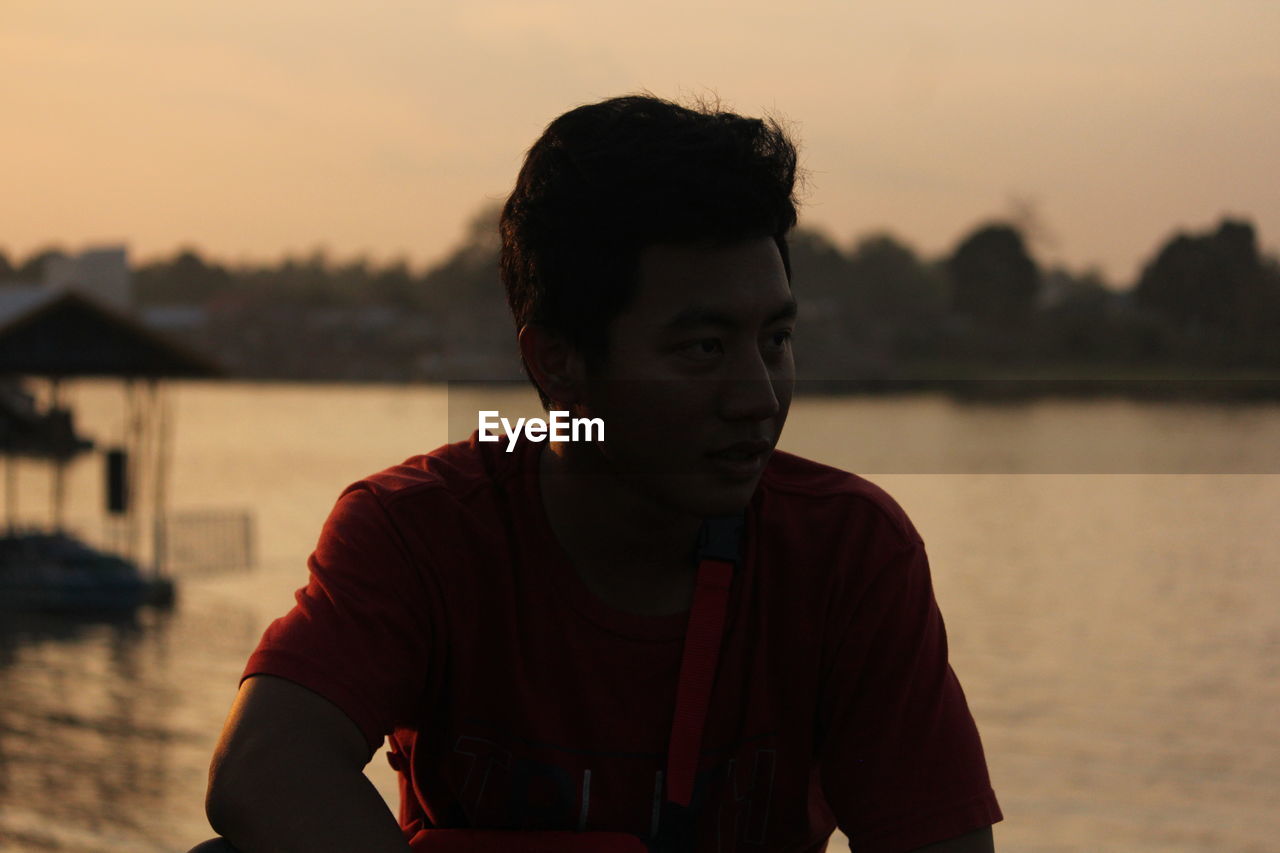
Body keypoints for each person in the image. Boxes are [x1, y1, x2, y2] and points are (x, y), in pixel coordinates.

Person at [198, 94, 1002, 853]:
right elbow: (263, 767)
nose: (758, 397)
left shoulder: (847, 553)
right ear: (557, 360)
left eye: (776, 339)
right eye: (703, 349)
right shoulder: (422, 530)